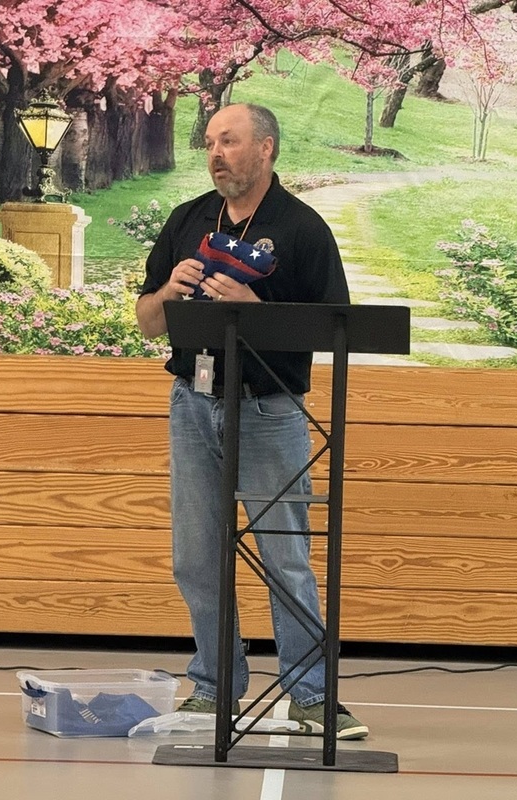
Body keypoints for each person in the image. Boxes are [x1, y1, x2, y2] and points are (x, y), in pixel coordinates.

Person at [135, 102, 368, 740]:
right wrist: (167, 293)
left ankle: (313, 695)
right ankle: (213, 687)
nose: (215, 153)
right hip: (192, 402)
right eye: (210, 142)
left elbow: (334, 327)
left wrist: (253, 306)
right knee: (197, 556)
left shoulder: (302, 228)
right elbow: (148, 320)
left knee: (285, 556)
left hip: (268, 409)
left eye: (229, 141)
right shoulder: (187, 220)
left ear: (265, 149)